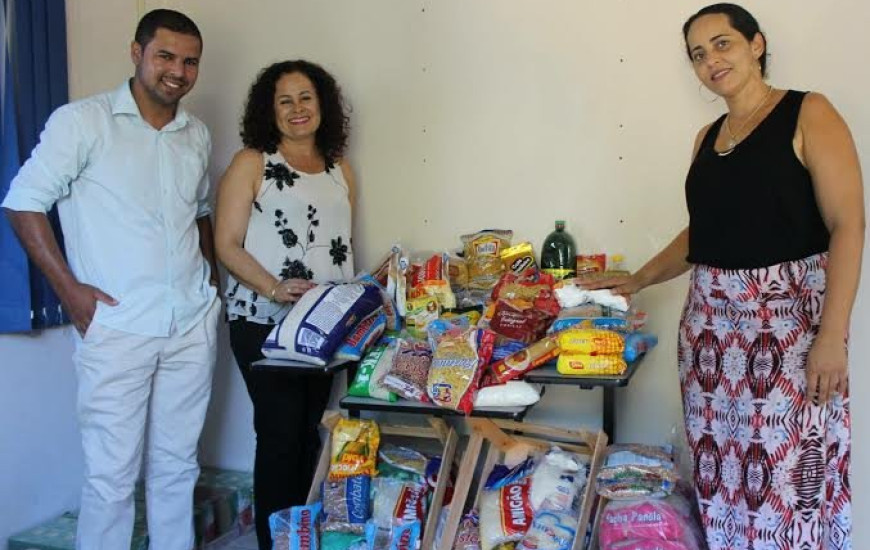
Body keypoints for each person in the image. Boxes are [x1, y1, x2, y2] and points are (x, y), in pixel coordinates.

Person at [586, 4, 862, 549]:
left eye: (722, 43)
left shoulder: (808, 113)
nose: (711, 60)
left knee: (788, 481)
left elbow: (848, 224)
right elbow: (703, 234)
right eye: (697, 54)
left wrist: (832, 336)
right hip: (711, 338)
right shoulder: (706, 138)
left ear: (755, 45)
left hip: (788, 335)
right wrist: (637, 278)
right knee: (720, 479)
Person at [1, 9, 218, 550]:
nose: (178, 70)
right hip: (118, 324)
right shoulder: (83, 121)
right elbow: (24, 203)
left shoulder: (196, 134)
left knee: (177, 466)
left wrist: (210, 285)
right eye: (165, 56)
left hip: (191, 321)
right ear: (137, 52)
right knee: (111, 476)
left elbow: (200, 213)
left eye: (189, 61)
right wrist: (69, 292)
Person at [214, 59, 355, 549]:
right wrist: (274, 288)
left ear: (323, 105)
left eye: (306, 98)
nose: (298, 109)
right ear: (268, 111)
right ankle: (276, 544)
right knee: (279, 436)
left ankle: (301, 538)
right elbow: (226, 244)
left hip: (323, 329)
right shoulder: (252, 162)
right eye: (285, 100)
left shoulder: (341, 171)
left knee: (309, 435)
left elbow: (339, 243)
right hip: (263, 321)